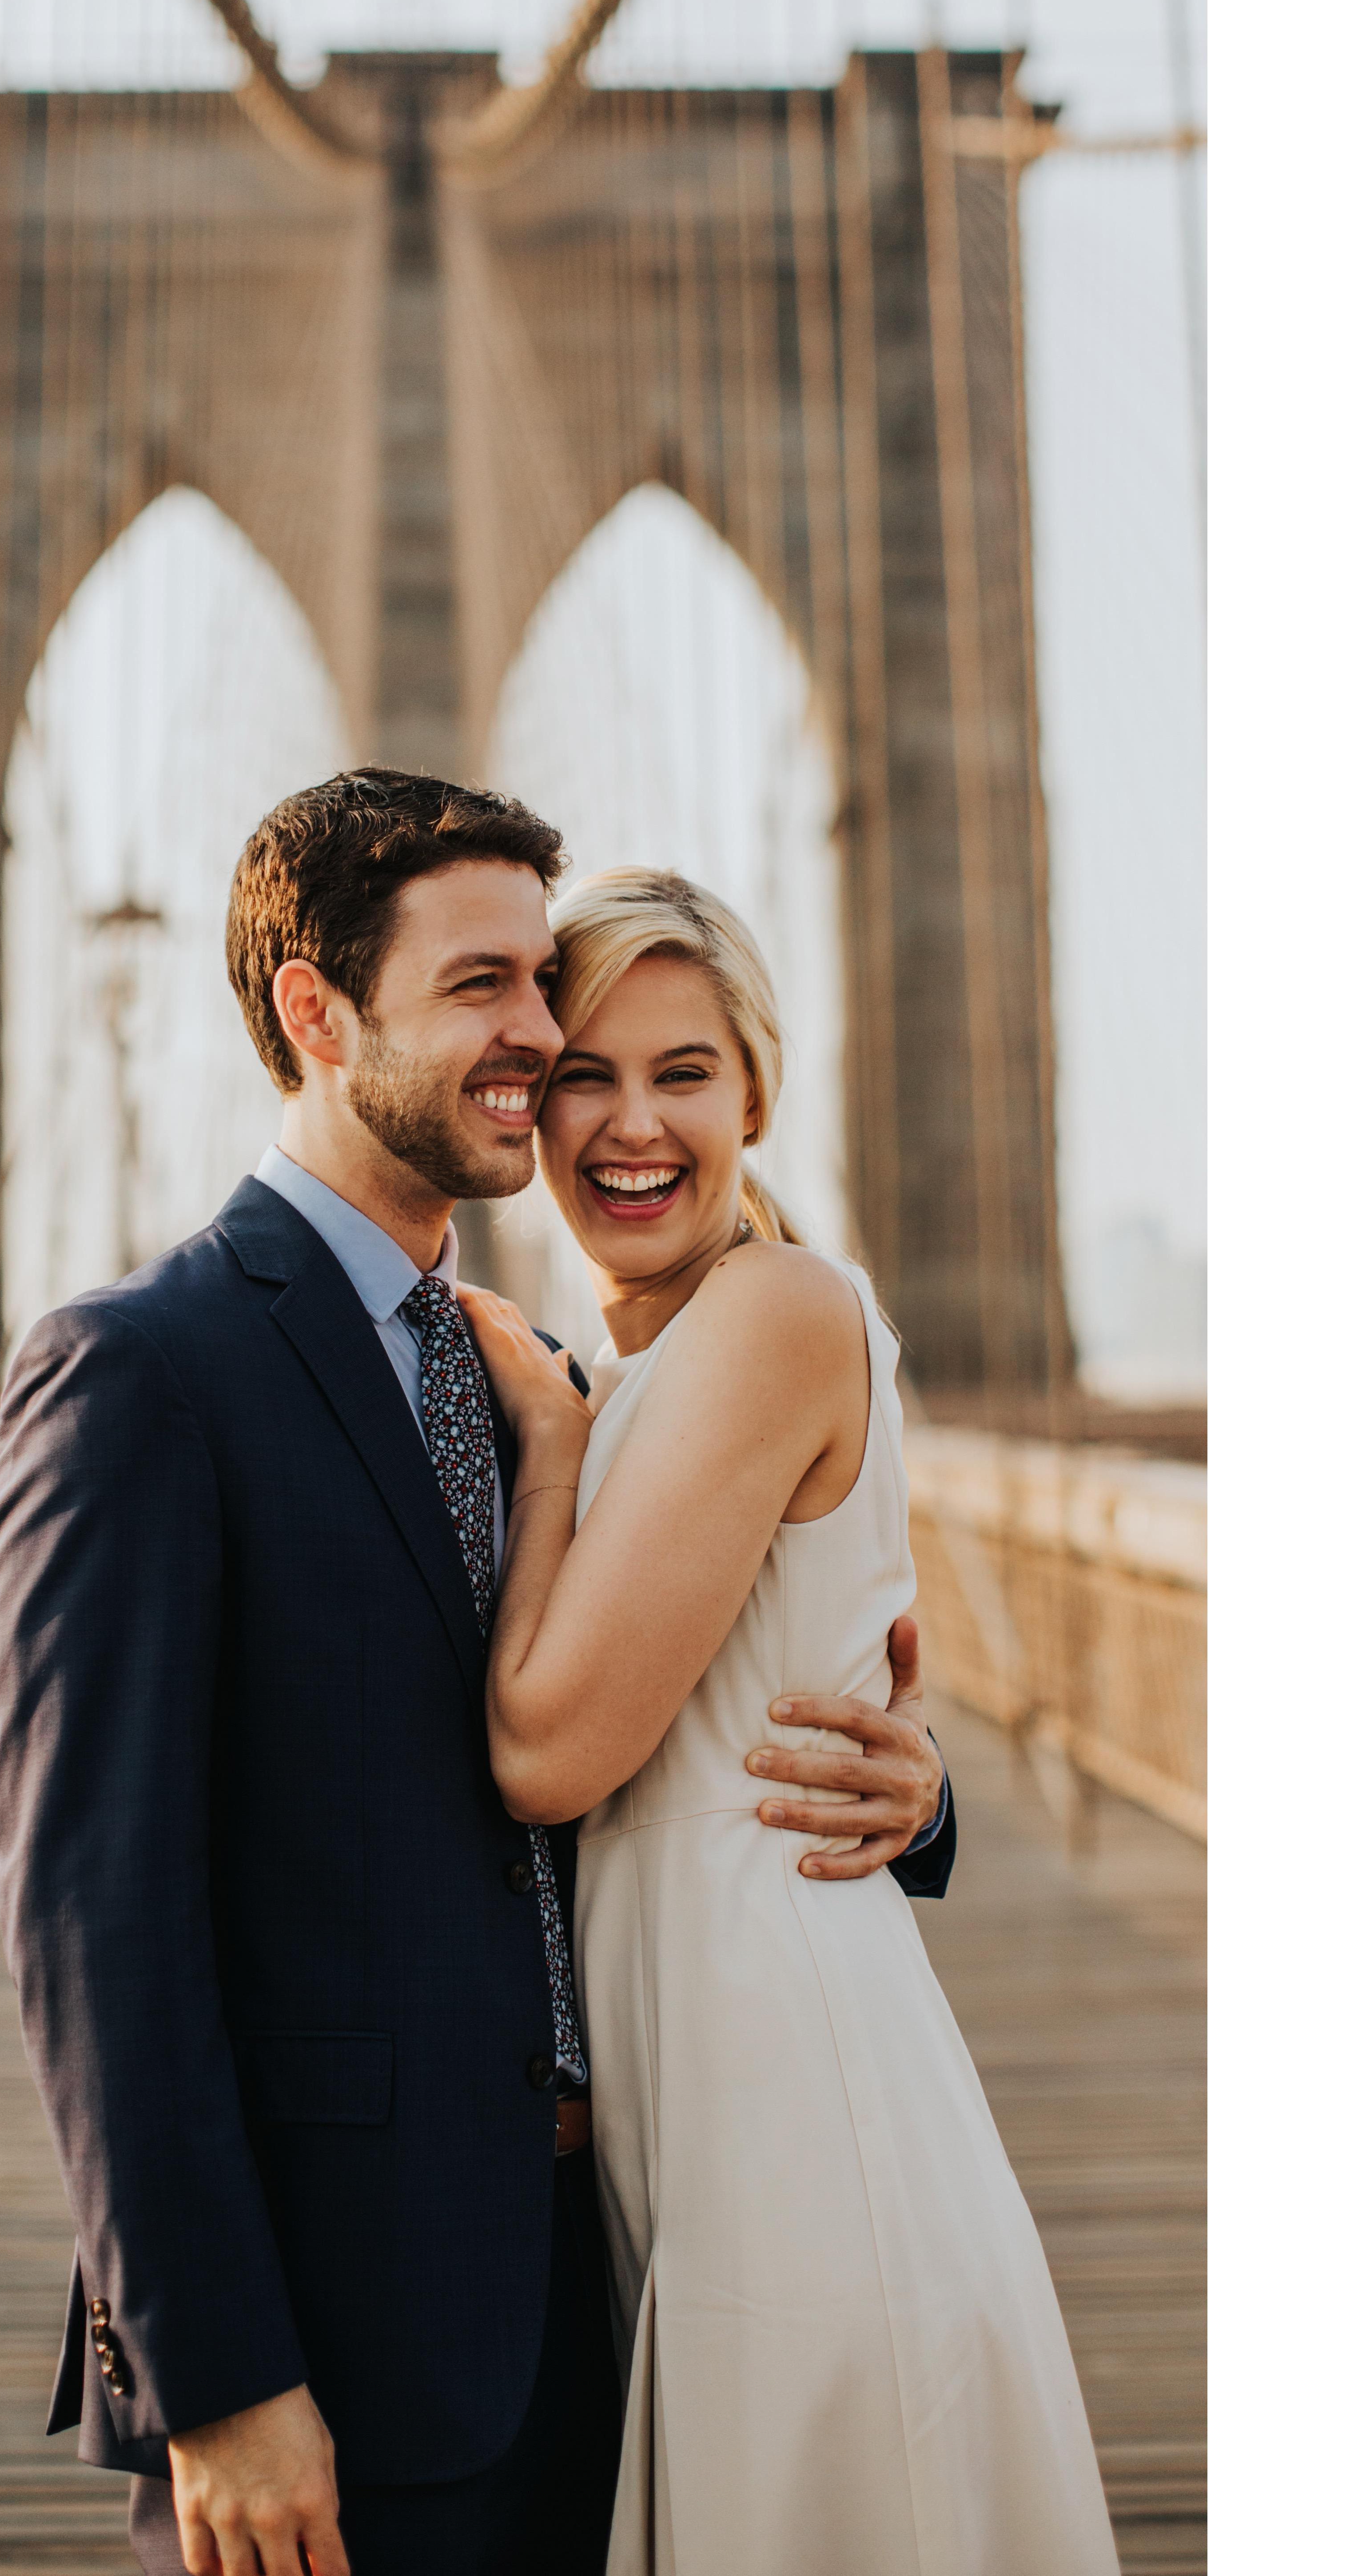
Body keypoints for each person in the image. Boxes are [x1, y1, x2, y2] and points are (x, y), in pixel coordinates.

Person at [0, 773, 953, 2576]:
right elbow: (93, 1918)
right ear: (312, 1010)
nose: (538, 1035)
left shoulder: (541, 1387)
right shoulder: (141, 1374)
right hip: (328, 2355)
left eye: (544, 991)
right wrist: (215, 2376)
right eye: (485, 988)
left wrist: (916, 1792)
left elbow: (691, 1695)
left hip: (616, 2284)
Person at [456, 866, 1119, 2575]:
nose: (631, 1124)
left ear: (758, 1092)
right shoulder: (631, 1365)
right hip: (693, 2043)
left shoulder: (776, 1314)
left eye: (684, 1074)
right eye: (585, 1074)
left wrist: (544, 1455)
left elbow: (545, 1752)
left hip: (783, 2054)